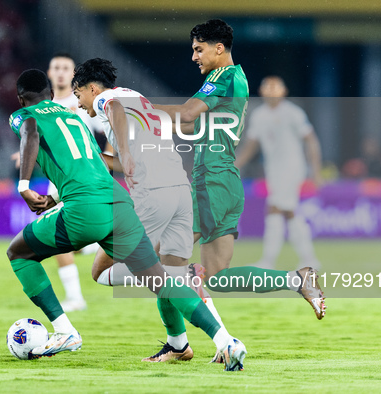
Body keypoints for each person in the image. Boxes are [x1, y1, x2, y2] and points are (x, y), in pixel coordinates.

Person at [6, 69, 246, 370]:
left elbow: (29, 128)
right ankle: (225, 340)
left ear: (20, 98)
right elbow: (92, 166)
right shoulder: (75, 118)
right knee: (161, 279)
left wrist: (24, 185)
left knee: (18, 253)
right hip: (119, 203)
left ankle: (65, 331)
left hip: (88, 208)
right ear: (52, 94)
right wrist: (59, 199)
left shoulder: (24, 114)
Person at [151, 19, 325, 338]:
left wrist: (138, 108)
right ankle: (297, 279)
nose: (194, 57)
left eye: (198, 49)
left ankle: (179, 345)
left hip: (211, 182)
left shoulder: (224, 77)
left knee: (163, 263)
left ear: (219, 48)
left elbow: (188, 115)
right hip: (225, 182)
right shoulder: (236, 79)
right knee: (217, 276)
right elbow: (191, 126)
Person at [72, 58, 227, 362]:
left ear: (92, 88)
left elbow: (113, 110)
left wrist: (124, 154)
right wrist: (104, 159)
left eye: (79, 96)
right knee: (169, 273)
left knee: (100, 271)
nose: (79, 105)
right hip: (180, 191)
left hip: (152, 197)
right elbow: (129, 155)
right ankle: (181, 345)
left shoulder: (108, 99)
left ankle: (182, 282)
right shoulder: (138, 98)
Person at [11, 54, 102, 312]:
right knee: (60, 235)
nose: (61, 72)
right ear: (49, 75)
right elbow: (36, 138)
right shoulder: (54, 105)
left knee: (51, 238)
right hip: (62, 181)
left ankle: (75, 297)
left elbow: (104, 131)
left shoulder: (83, 101)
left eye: (66, 68)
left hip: (79, 179)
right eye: (57, 68)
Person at [235, 76, 323, 270]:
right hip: (274, 170)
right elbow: (251, 144)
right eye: (268, 88)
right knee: (289, 212)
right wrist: (235, 165)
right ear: (262, 91)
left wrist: (316, 170)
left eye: (276, 89)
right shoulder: (259, 115)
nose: (272, 93)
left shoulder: (293, 113)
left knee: (275, 208)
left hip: (292, 167)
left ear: (284, 92)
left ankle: (269, 262)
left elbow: (311, 140)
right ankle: (309, 260)